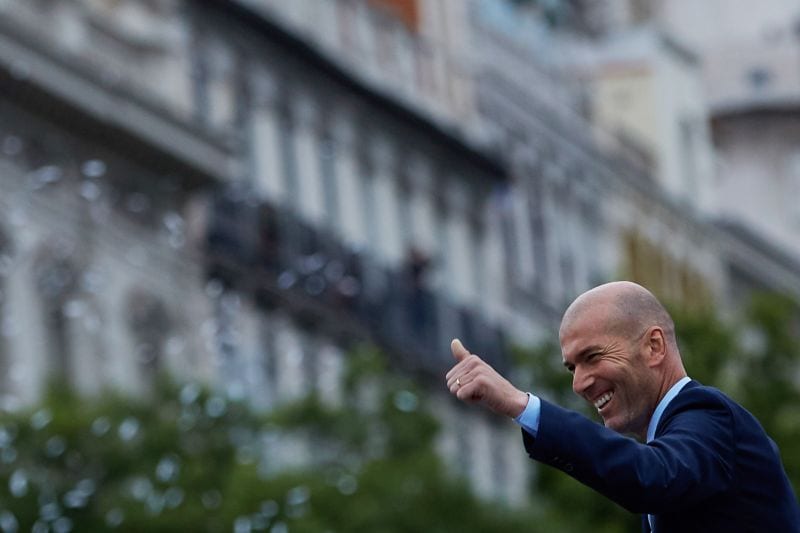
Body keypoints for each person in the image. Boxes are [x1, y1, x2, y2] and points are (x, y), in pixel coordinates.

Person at [446, 281, 800, 532]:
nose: (579, 384)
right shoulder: (680, 440)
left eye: (592, 357)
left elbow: (651, 476)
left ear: (654, 347)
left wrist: (520, 405)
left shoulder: (708, 414)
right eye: (572, 368)